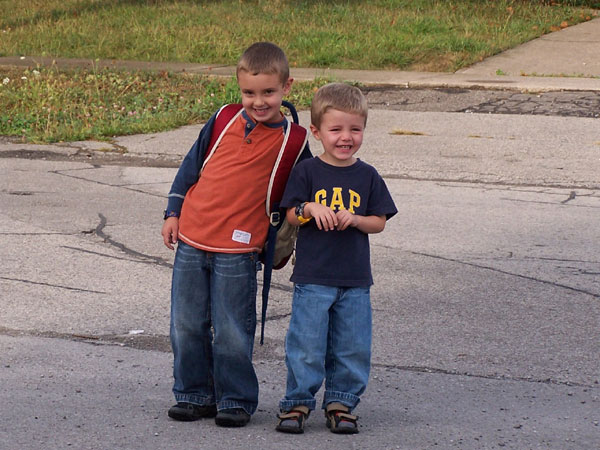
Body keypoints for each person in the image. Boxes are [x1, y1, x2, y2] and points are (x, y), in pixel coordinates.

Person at [161, 42, 310, 428]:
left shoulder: (294, 140)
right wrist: (173, 212)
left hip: (239, 250)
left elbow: (302, 192)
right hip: (193, 238)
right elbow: (190, 167)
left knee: (231, 329)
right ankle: (194, 394)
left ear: (287, 87)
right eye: (249, 93)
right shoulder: (224, 118)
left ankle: (235, 399)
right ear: (238, 87)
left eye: (268, 93)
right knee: (186, 324)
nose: (258, 102)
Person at [275, 83, 397, 434]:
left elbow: (379, 222)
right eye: (336, 130)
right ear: (316, 132)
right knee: (307, 345)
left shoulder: (367, 175)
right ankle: (297, 402)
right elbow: (292, 215)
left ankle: (341, 402)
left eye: (355, 129)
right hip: (313, 277)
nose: (346, 138)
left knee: (352, 347)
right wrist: (309, 207)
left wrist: (356, 219)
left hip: (355, 280)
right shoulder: (308, 172)